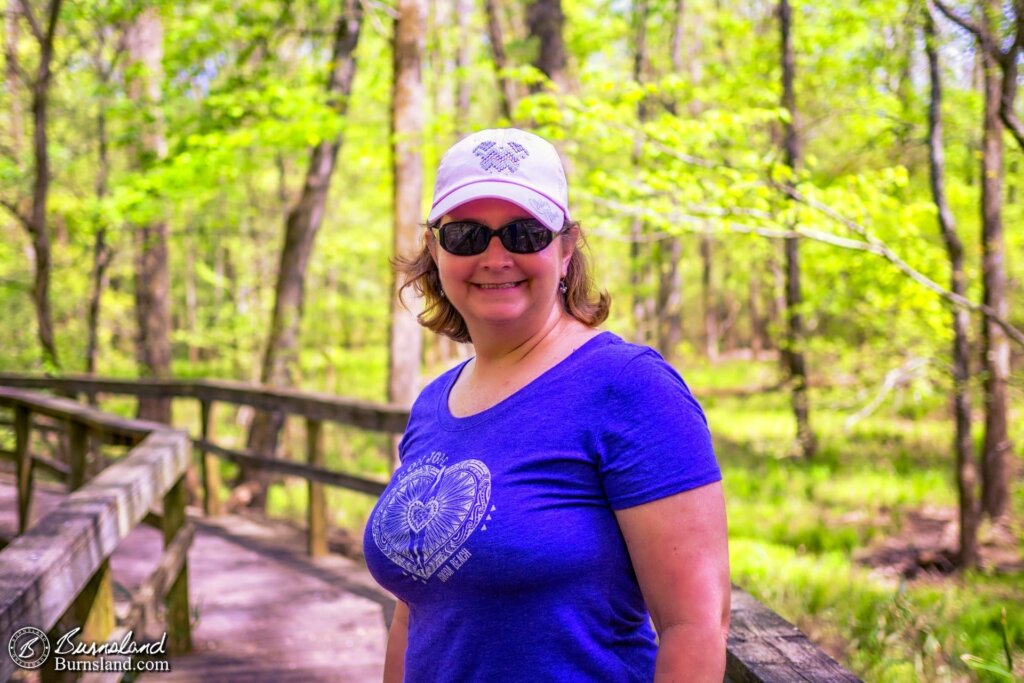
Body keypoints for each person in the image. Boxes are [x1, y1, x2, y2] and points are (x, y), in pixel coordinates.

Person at [363, 128, 729, 682]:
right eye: (465, 235)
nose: (494, 256)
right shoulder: (434, 403)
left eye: (524, 233)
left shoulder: (629, 387)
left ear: (564, 249)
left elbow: (696, 626)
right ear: (436, 251)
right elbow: (416, 609)